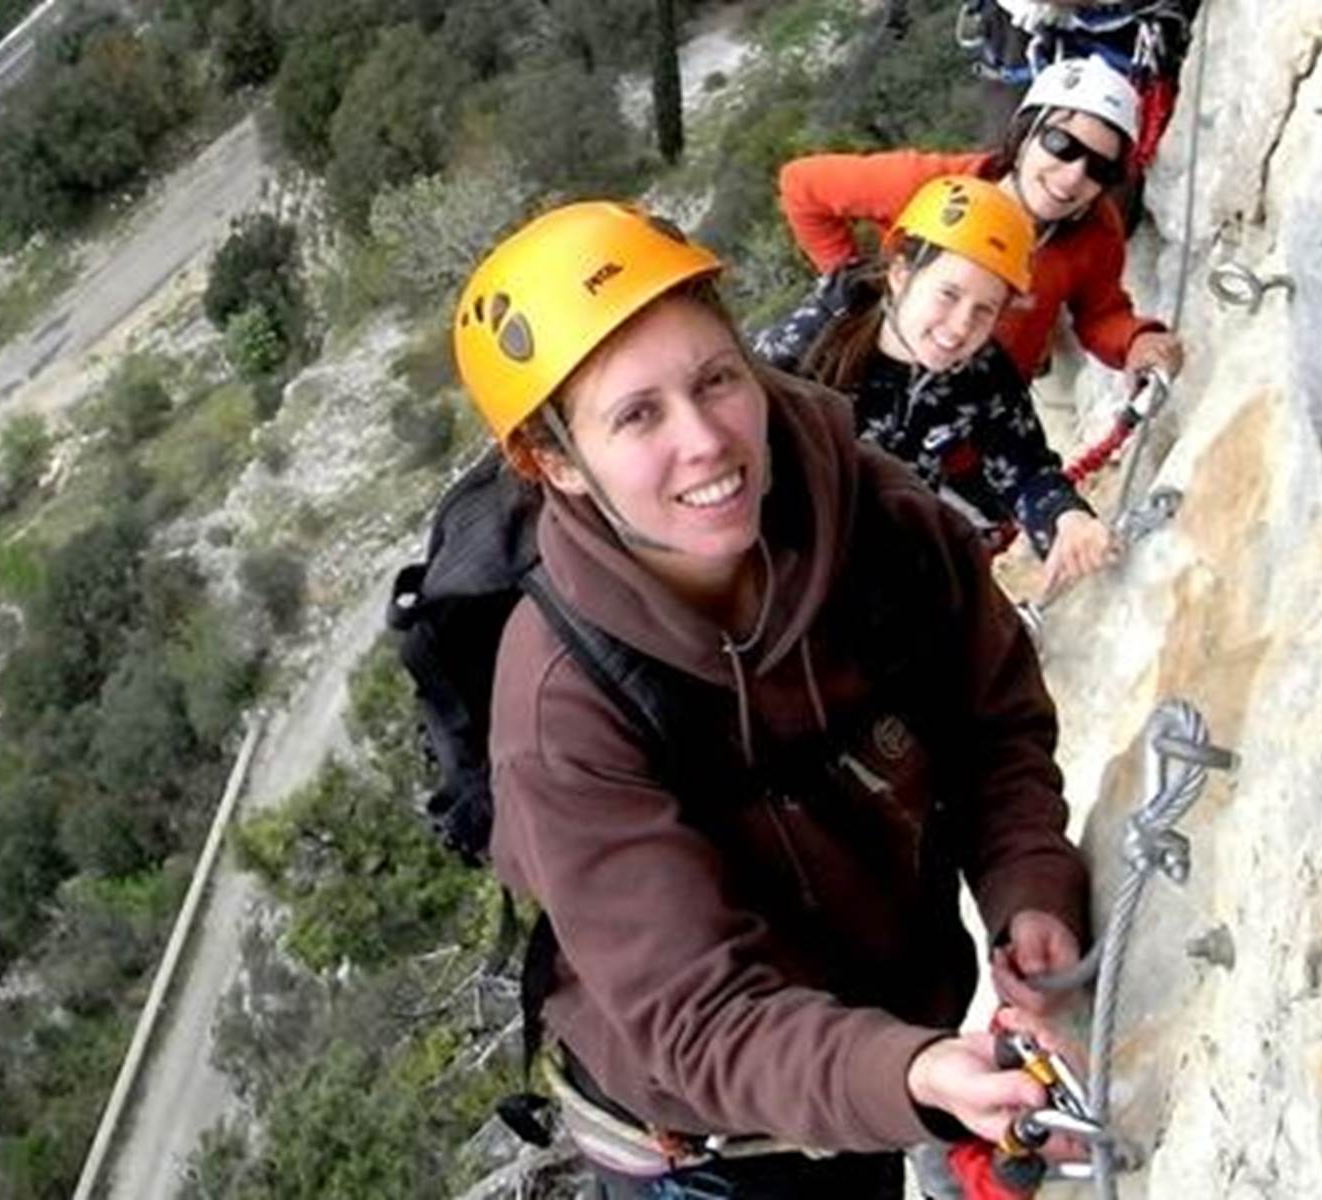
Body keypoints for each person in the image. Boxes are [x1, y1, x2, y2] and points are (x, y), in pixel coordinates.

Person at [453, 200, 1089, 1197]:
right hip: (707, 1149)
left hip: (878, 1072)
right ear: (556, 465)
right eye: (636, 415)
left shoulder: (873, 516)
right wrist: (910, 1071)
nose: (706, 440)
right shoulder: (563, 705)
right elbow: (694, 1017)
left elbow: (991, 722)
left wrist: (1028, 889)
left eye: (716, 378)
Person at [755, 175, 1115, 596]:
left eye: (984, 310)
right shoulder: (808, 346)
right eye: (948, 294)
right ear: (901, 275)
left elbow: (1023, 466)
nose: (961, 326)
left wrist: (1064, 517)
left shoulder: (979, 372)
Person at [777, 55, 1184, 385]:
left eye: (1102, 169)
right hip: (877, 372)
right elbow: (802, 186)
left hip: (981, 415)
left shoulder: (1092, 230)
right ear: (1024, 136)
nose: (1075, 174)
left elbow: (1101, 313)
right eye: (1061, 145)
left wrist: (1136, 342)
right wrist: (855, 283)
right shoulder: (931, 186)